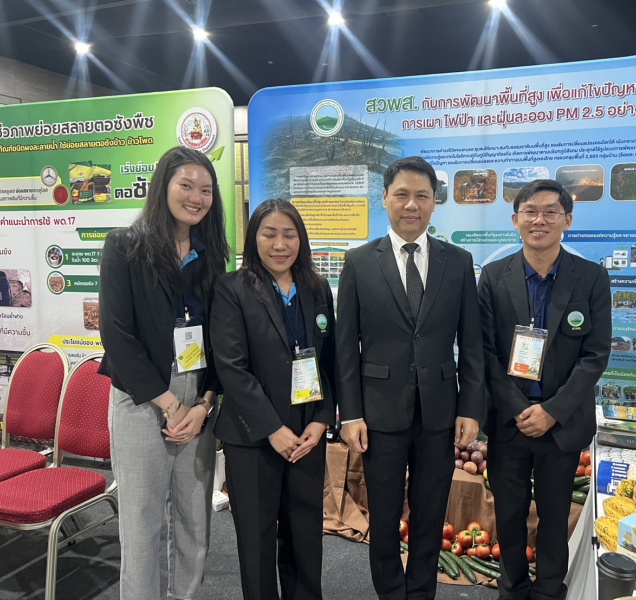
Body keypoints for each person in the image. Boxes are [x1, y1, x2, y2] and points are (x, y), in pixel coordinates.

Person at [336, 156, 485, 600]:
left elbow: (471, 344)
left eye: (422, 195)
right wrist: (351, 414)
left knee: (430, 513)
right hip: (378, 413)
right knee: (383, 517)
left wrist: (471, 408)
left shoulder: (458, 261)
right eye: (401, 194)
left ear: (434, 202)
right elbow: (345, 348)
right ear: (384, 198)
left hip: (439, 413)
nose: (411, 205)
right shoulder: (359, 262)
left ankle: (420, 593)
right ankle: (390, 593)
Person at [99, 146, 230, 600]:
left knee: (195, 520)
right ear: (163, 187)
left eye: (206, 190)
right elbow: (117, 336)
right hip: (143, 398)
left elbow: (221, 339)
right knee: (142, 523)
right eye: (186, 185)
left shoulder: (211, 254)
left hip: (197, 399)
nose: (196, 197)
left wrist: (204, 404)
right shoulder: (124, 246)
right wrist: (171, 406)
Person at [477, 179, 611, 600]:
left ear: (567, 220)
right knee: (509, 515)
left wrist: (552, 410)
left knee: (555, 518)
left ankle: (550, 591)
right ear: (515, 220)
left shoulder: (591, 277)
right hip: (509, 422)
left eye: (551, 212)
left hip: (561, 425)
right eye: (530, 211)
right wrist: (518, 408)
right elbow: (485, 352)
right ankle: (513, 589)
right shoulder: (493, 276)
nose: (540, 220)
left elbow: (595, 355)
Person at [210, 199, 336, 600]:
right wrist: (272, 429)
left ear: (301, 239)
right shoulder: (231, 288)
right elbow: (232, 368)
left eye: (289, 234)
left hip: (307, 434)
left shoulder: (317, 288)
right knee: (257, 541)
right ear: (254, 239)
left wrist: (321, 419)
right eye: (269, 234)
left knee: (305, 537)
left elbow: (329, 360)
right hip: (253, 437)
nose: (280, 244)